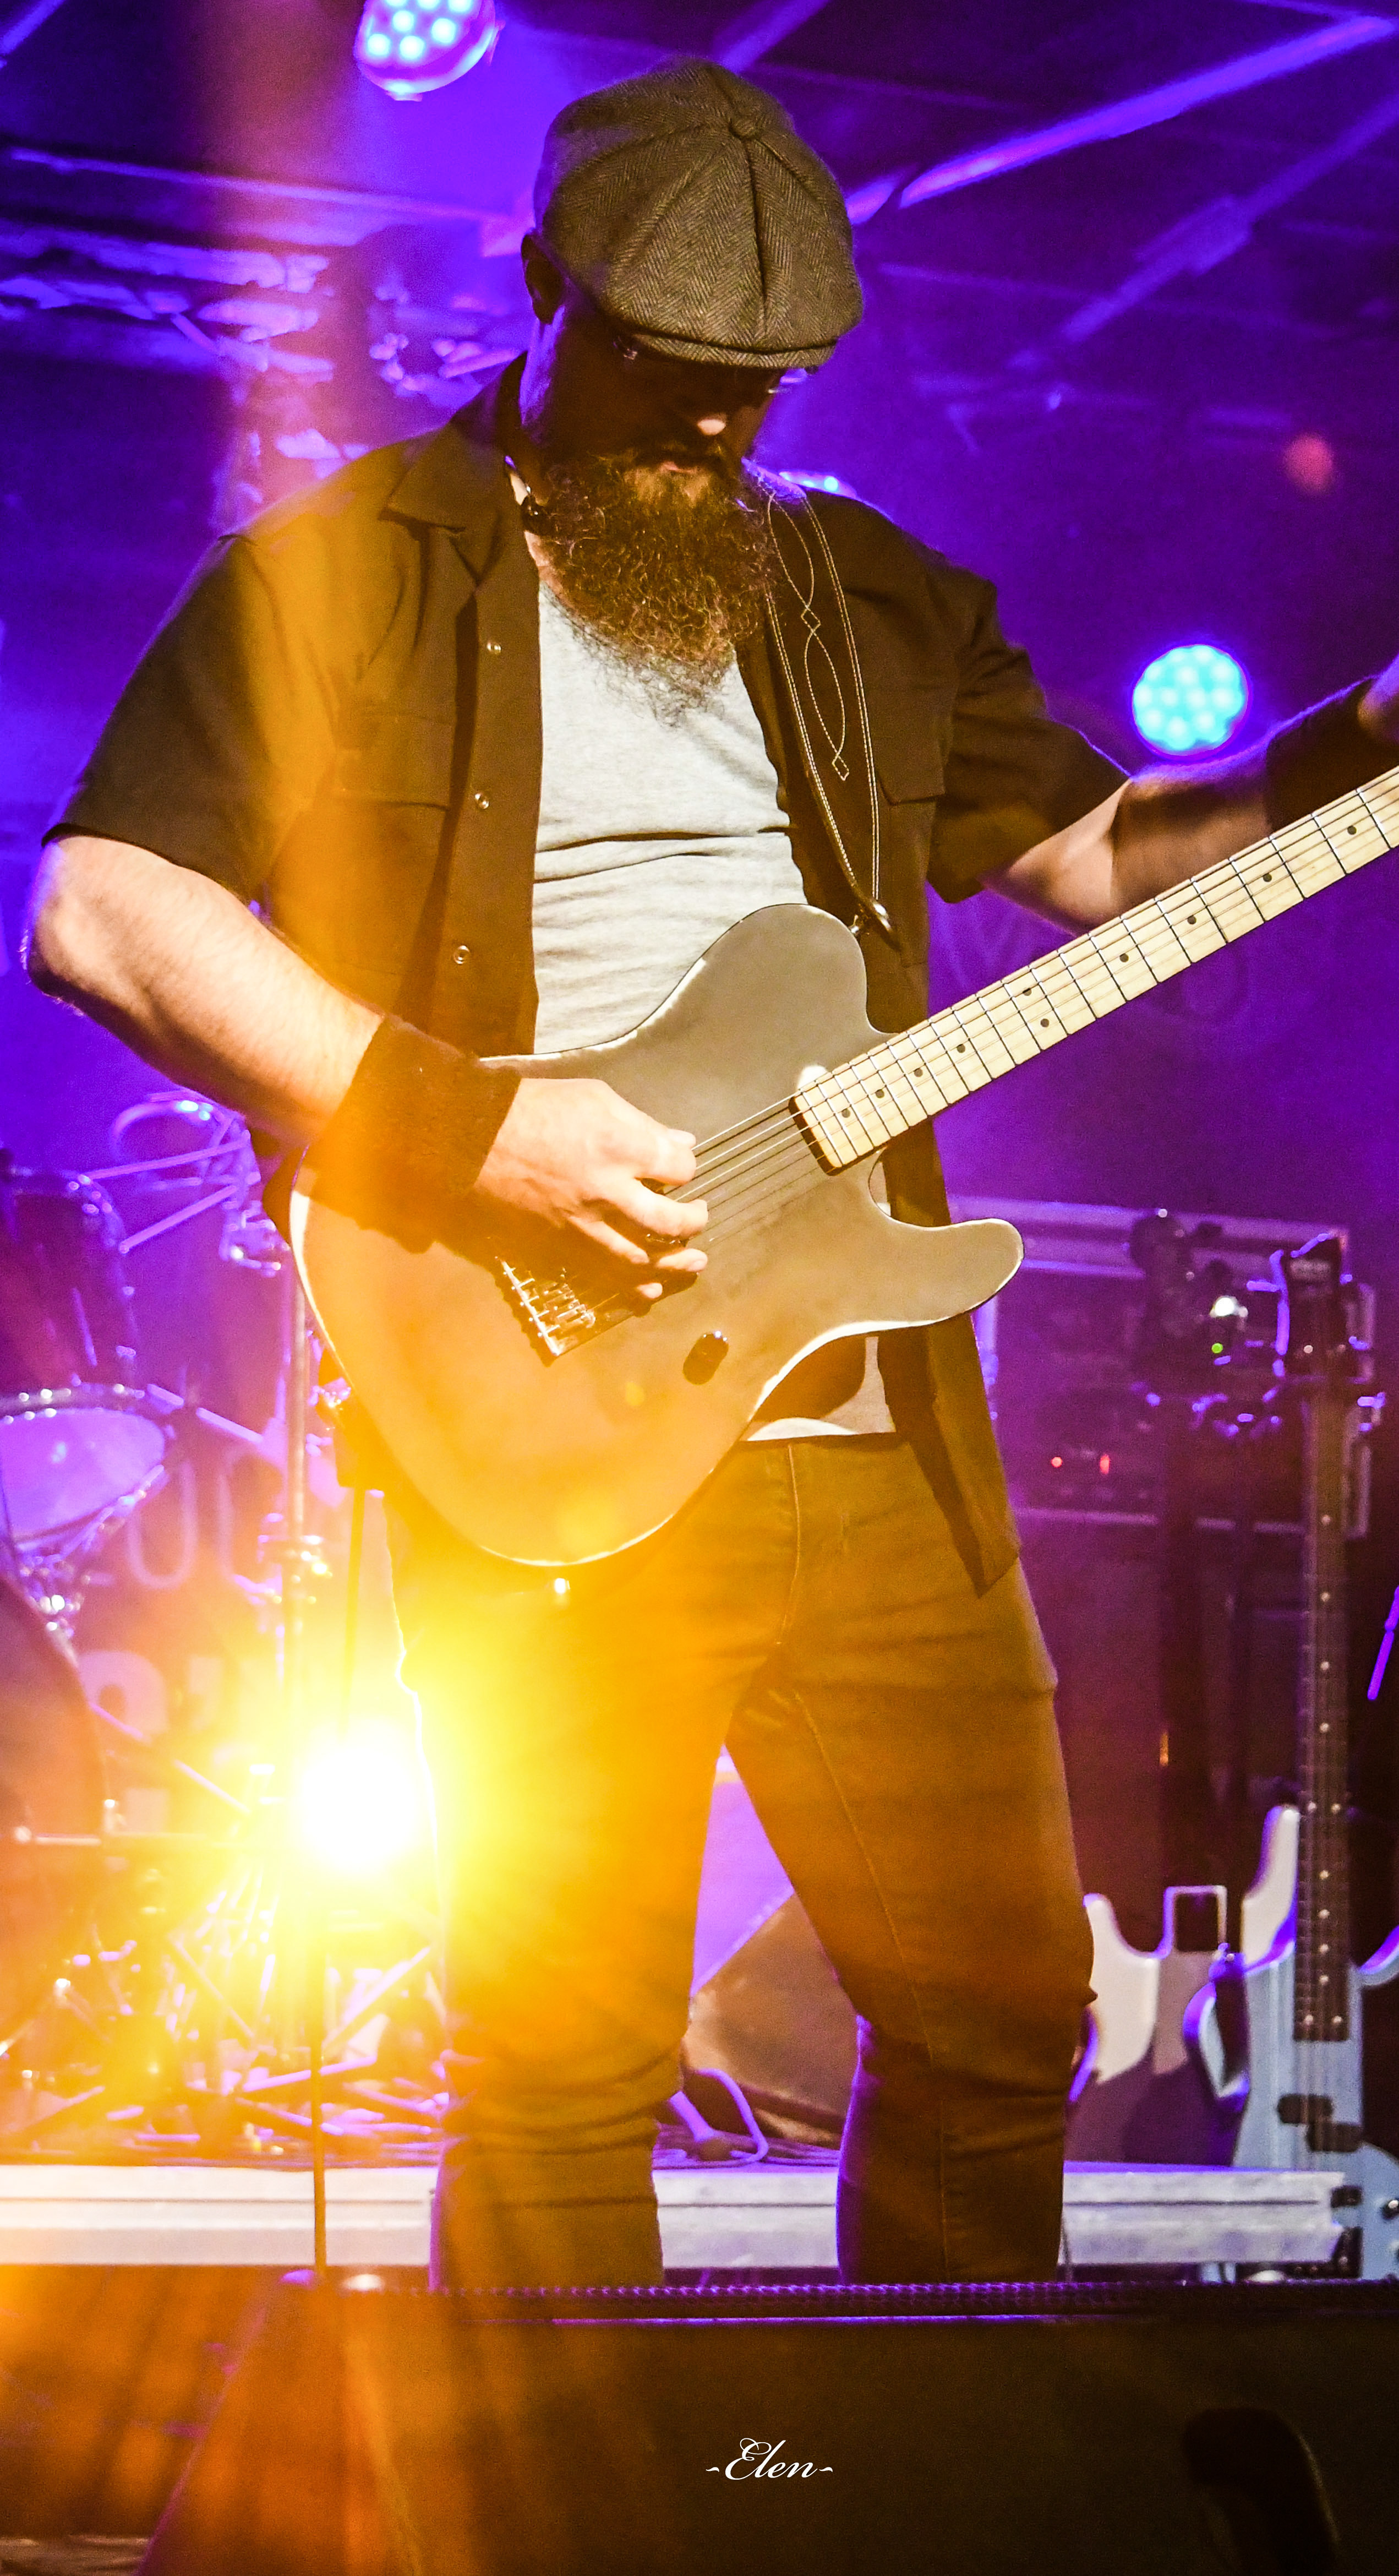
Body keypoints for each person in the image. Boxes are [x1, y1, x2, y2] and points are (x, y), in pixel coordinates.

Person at [28, 60, 1399, 2288]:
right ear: (539, 289)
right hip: (534, 1425)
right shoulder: (348, 574)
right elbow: (106, 907)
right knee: (564, 2069)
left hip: (877, 1442)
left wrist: (1359, 749)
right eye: (666, 367)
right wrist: (484, 1131)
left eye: (753, 386)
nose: (707, 423)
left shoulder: (870, 596)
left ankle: (903, 2474)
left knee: (999, 2026)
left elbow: (1106, 856)